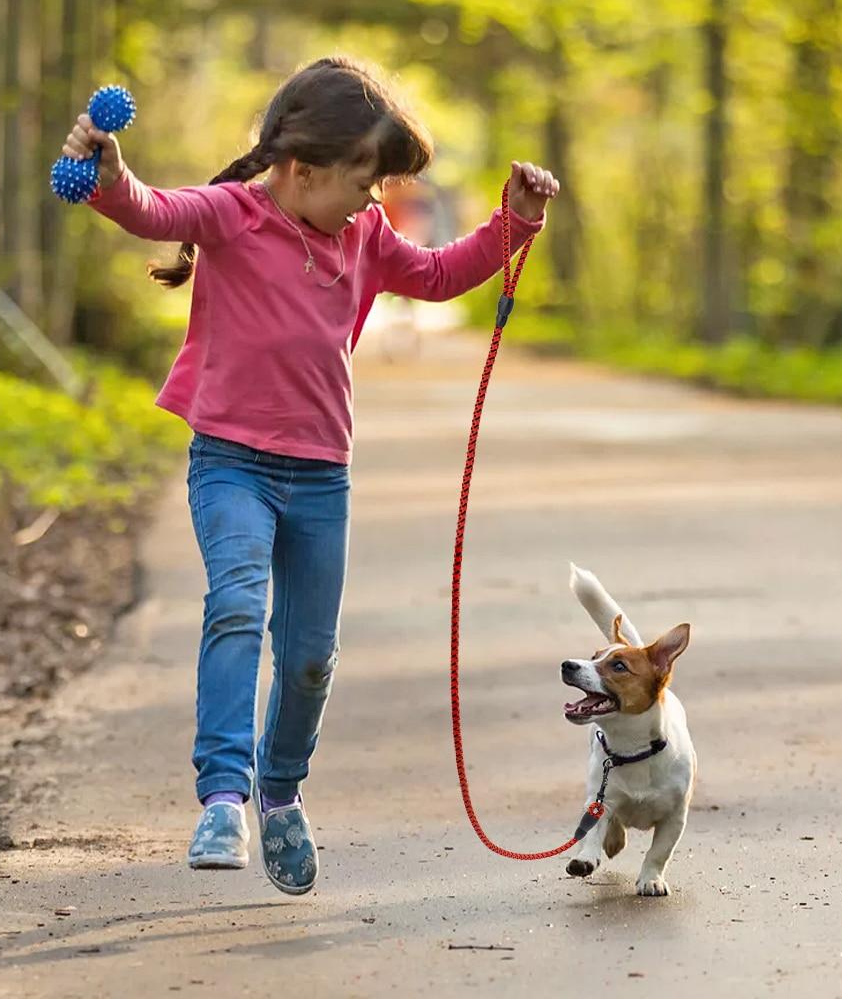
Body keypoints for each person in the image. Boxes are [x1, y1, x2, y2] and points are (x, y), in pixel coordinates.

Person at [61, 55, 559, 897]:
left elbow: (436, 276)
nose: (374, 202)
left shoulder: (362, 236)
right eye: (365, 183)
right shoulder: (231, 215)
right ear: (302, 170)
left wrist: (512, 227)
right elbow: (151, 209)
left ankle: (281, 790)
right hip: (231, 464)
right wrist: (109, 176)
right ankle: (224, 797)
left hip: (322, 476)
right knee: (236, 607)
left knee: (309, 660)